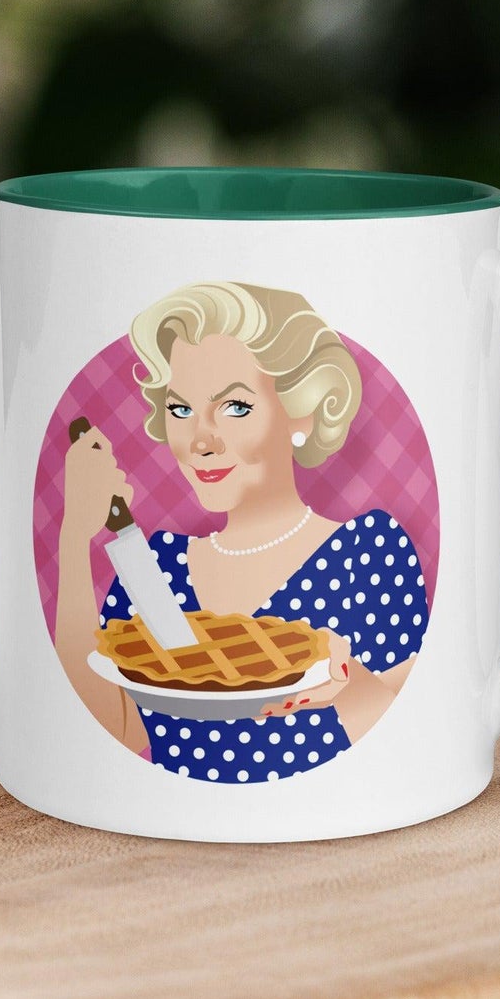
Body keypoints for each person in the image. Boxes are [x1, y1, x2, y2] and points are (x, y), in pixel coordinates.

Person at [54, 281, 429, 782]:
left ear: (302, 409)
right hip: (167, 820)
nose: (201, 441)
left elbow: (410, 740)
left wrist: (348, 685)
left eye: (235, 407)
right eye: (180, 410)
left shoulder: (369, 553)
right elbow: (115, 728)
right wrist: (74, 537)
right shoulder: (156, 565)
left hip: (336, 815)